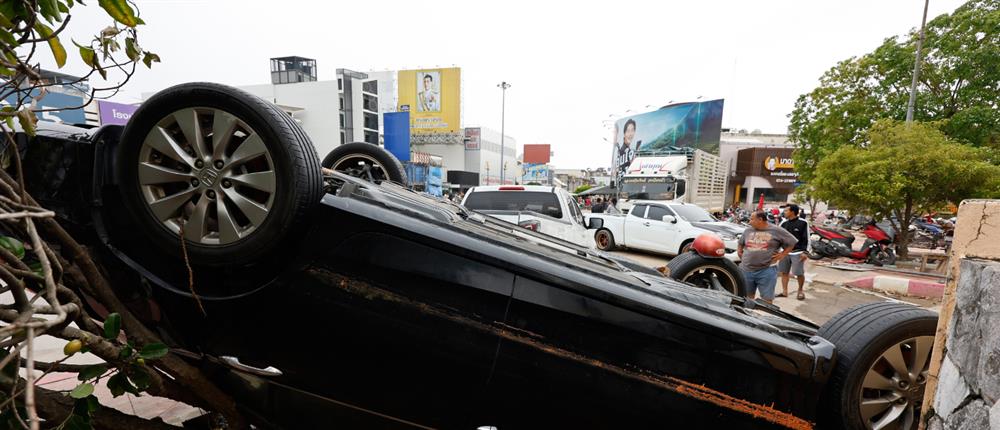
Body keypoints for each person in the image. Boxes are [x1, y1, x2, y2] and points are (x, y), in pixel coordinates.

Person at [737, 211, 798, 303]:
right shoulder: (748, 230)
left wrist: (782, 254)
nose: (749, 222)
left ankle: (764, 317)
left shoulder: (777, 230)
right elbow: (740, 243)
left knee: (767, 300)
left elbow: (792, 242)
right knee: (747, 298)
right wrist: (739, 250)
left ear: (760, 219)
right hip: (746, 270)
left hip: (766, 271)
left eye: (752, 219)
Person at [778, 204, 810, 300]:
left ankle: (800, 291)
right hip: (785, 252)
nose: (784, 212)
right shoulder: (783, 223)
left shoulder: (803, 223)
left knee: (798, 273)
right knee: (784, 272)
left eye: (786, 211)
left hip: (798, 252)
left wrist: (805, 252)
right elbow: (779, 237)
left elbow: (807, 238)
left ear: (792, 211)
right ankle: (784, 292)